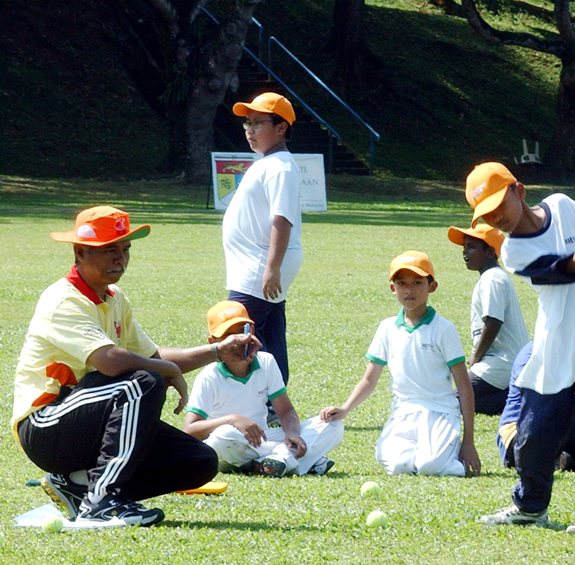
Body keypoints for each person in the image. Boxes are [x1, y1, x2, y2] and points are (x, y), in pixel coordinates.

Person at [12, 206, 258, 527]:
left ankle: (78, 488)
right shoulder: (64, 300)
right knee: (143, 382)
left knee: (198, 461)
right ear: (81, 252)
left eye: (125, 249)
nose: (121, 258)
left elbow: (154, 357)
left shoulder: (114, 298)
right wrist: (167, 372)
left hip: (88, 422)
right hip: (46, 428)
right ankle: (101, 501)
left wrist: (218, 350)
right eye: (110, 249)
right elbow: (111, 362)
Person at [468, 162, 575, 536]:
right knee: (534, 434)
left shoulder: (563, 206)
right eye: (487, 214)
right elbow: (569, 266)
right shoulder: (513, 251)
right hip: (553, 350)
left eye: (500, 204)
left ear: (519, 189)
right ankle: (530, 506)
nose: (497, 217)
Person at [320, 251, 481, 477]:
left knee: (430, 467)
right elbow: (369, 378)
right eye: (401, 283)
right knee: (398, 467)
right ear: (392, 288)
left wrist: (468, 442)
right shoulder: (387, 328)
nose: (409, 290)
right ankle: (423, 450)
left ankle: (452, 458)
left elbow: (464, 387)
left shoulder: (444, 329)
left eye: (417, 282)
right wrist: (345, 408)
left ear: (432, 286)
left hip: (440, 410)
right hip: (403, 410)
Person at [183, 301, 344, 477]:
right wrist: (231, 419)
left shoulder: (266, 361)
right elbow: (190, 430)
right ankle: (288, 458)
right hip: (231, 442)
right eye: (228, 335)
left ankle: (271, 462)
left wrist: (292, 432)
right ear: (214, 343)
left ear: (250, 333)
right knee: (223, 437)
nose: (237, 341)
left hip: (263, 438)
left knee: (333, 424)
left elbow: (286, 410)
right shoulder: (209, 376)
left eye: (240, 332)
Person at [223, 92, 303, 388]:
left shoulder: (280, 166)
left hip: (260, 265)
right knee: (268, 333)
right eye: (247, 124)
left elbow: (281, 219)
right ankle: (276, 400)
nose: (250, 131)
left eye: (258, 123)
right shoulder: (270, 163)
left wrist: (272, 267)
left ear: (281, 127)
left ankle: (239, 397)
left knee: (235, 332)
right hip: (258, 263)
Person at [447, 223, 529, 415]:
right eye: (464, 247)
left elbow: (493, 321)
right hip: (503, 362)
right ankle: (518, 400)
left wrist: (476, 356)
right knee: (469, 401)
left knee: (451, 401)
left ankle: (520, 399)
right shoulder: (491, 277)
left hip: (502, 362)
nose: (465, 252)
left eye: (471, 247)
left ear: (490, 252)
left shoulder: (492, 278)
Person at [497, 342, 575, 471]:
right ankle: (560, 458)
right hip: (517, 430)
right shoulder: (533, 354)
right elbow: (540, 409)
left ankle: (564, 458)